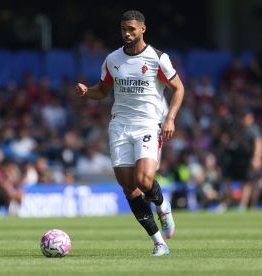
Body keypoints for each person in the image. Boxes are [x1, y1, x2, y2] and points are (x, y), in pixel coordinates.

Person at [75, 10, 184, 256]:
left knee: (143, 180)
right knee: (128, 186)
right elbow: (102, 91)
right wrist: (86, 92)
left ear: (143, 29)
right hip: (120, 125)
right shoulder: (112, 59)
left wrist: (170, 118)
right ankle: (159, 243)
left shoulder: (157, 58)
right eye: (124, 29)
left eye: (132, 29)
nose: (127, 33)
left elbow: (178, 88)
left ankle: (162, 204)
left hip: (148, 123)